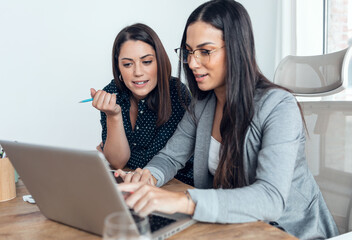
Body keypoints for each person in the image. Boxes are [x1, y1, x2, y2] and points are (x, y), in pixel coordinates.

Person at [116, 1, 339, 239]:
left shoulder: (279, 106)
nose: (192, 63)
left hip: (287, 232)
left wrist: (182, 201)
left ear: (235, 48)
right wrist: (148, 177)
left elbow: (270, 198)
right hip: (233, 227)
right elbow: (171, 156)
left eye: (205, 51)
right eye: (189, 52)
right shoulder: (203, 105)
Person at [90, 23, 193, 186]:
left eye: (146, 62)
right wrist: (113, 116)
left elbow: (161, 158)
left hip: (177, 184)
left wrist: (104, 149)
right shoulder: (111, 93)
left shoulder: (176, 93)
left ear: (159, 62)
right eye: (127, 64)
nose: (138, 72)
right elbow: (118, 163)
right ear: (118, 67)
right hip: (133, 182)